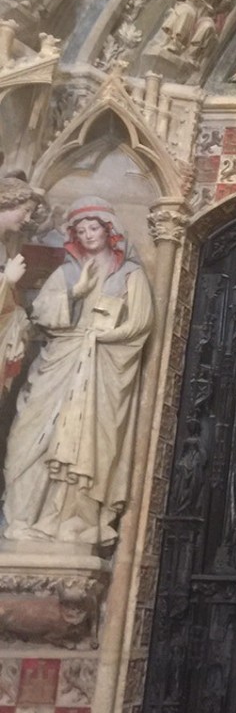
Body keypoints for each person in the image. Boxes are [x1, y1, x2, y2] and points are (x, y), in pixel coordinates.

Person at [2, 197, 153, 546]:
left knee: (88, 443)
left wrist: (101, 337)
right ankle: (23, 519)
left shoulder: (129, 275)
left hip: (101, 369)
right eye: (81, 229)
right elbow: (40, 314)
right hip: (59, 362)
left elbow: (139, 325)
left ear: (108, 229)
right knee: (27, 437)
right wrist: (75, 292)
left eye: (94, 227)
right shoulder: (67, 272)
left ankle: (73, 521)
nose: (88, 234)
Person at [0, 177, 44, 401]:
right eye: (25, 211)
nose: (27, 219)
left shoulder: (4, 246)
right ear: (7, 202)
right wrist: (6, 281)